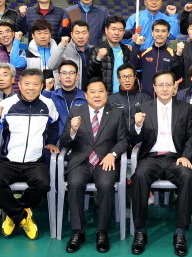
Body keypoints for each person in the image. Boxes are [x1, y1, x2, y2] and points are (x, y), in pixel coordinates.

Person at [0, 69, 60, 240]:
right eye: (27, 84)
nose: (31, 88)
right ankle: (21, 217)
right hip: (8, 161)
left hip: (35, 161)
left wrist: (51, 141)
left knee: (42, 183)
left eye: (35, 84)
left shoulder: (48, 104)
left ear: (41, 86)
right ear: (19, 85)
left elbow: (54, 124)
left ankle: (14, 213)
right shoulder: (7, 104)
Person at [130, 70, 192, 256]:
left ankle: (180, 232)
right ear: (154, 88)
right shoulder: (143, 108)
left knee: (187, 176)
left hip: (176, 158)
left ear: (175, 87)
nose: (165, 88)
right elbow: (133, 139)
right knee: (139, 176)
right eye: (161, 85)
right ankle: (140, 231)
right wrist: (137, 126)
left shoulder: (185, 108)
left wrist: (186, 155)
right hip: (151, 157)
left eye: (169, 84)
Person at [59, 78, 128, 253]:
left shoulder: (116, 113)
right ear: (85, 95)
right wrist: (73, 130)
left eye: (101, 91)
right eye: (93, 91)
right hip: (81, 161)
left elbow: (123, 140)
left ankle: (102, 231)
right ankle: (77, 231)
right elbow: (64, 142)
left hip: (105, 160)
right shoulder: (76, 111)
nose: (97, 95)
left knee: (106, 184)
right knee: (74, 183)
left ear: (107, 93)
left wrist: (113, 154)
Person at [131, 19, 182, 97]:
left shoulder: (174, 55)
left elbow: (177, 76)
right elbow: (133, 66)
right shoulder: (144, 53)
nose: (160, 34)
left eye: (163, 31)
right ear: (152, 33)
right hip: (146, 98)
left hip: (166, 97)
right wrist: (137, 45)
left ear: (168, 34)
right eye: (157, 31)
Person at [42, 60, 87, 135]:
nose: (68, 76)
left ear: (77, 76)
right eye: (64, 73)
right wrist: (47, 89)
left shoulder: (84, 96)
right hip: (57, 139)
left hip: (80, 138)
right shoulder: (52, 95)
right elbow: (42, 108)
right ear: (59, 77)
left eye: (71, 73)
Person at [88, 16, 131, 93]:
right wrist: (98, 59)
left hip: (124, 95)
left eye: (120, 30)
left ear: (124, 32)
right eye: (113, 29)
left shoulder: (127, 50)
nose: (116, 33)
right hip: (105, 95)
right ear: (106, 30)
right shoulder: (96, 49)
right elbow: (90, 74)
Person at [48, 20, 93, 90]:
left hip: (88, 93)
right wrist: (62, 45)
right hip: (66, 93)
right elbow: (51, 66)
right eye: (77, 33)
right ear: (71, 34)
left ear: (89, 34)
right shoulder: (63, 49)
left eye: (84, 33)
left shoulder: (93, 50)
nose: (80, 36)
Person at [108, 64, 151, 129]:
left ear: (135, 77)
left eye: (130, 76)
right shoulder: (110, 100)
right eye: (123, 77)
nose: (127, 80)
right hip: (119, 135)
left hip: (140, 134)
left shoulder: (146, 98)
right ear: (118, 79)